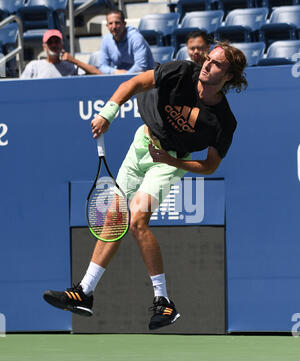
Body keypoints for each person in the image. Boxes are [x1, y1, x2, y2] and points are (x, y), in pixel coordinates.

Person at [43, 42, 248, 330]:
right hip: (143, 142)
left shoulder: (223, 121)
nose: (207, 64)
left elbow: (211, 164)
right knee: (116, 219)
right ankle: (84, 292)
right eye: (209, 59)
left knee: (138, 218)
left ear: (228, 77)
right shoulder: (182, 71)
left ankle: (163, 302)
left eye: (216, 64)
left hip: (170, 161)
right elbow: (135, 82)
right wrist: (107, 113)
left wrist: (171, 162)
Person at [20, 29, 101, 79]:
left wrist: (74, 60)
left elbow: (97, 73)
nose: (54, 45)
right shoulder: (34, 66)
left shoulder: (70, 65)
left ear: (62, 44)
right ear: (44, 47)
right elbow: (20, 87)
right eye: (50, 42)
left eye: (56, 42)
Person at [98, 9, 154, 75]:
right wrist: (115, 72)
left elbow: (141, 67)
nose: (114, 27)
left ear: (124, 24)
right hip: (120, 77)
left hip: (143, 78)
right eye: (110, 23)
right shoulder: (106, 40)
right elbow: (102, 66)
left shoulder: (136, 38)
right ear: (107, 26)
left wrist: (124, 76)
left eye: (117, 23)